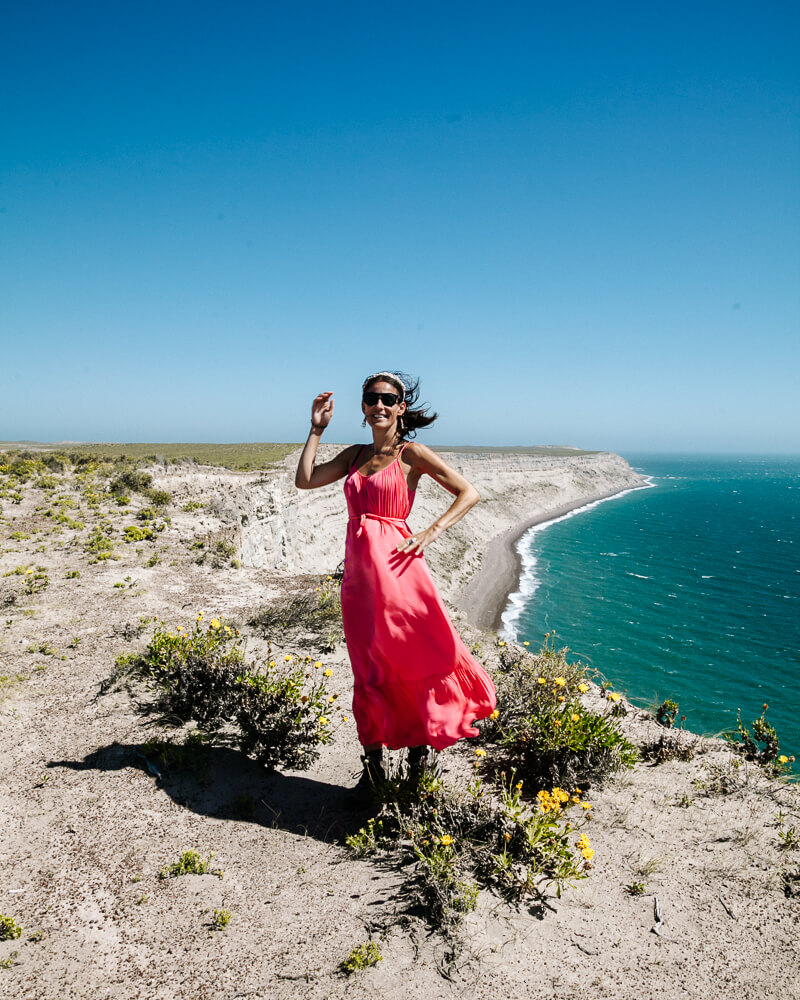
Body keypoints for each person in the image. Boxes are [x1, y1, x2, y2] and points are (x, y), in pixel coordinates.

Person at [295, 371, 496, 797]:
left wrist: (428, 533)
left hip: (402, 578)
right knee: (367, 671)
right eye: (371, 398)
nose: (379, 405)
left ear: (401, 408)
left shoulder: (412, 454)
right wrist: (316, 429)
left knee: (412, 666)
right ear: (364, 406)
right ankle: (373, 777)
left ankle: (416, 770)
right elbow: (306, 479)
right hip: (360, 584)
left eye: (388, 399)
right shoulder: (353, 456)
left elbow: (468, 492)